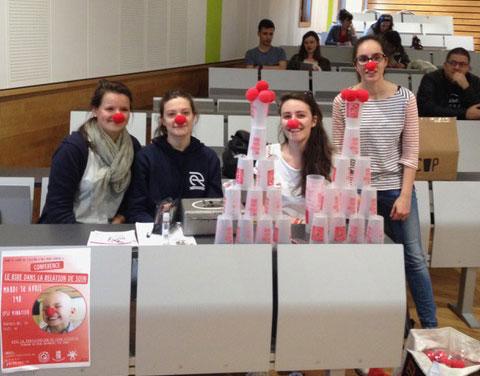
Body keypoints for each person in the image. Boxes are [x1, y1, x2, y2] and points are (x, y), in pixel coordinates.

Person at [332, 35, 438, 329]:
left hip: (395, 188)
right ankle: (387, 324)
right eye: (363, 59)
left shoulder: (405, 98)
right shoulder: (343, 101)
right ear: (355, 65)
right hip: (358, 193)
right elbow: (341, 151)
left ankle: (430, 328)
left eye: (376, 57)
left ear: (385, 61)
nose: (370, 64)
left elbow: (410, 152)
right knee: (368, 262)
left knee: (413, 258)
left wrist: (405, 195)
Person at [39, 79, 141, 224]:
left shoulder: (132, 147)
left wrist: (120, 218)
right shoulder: (73, 149)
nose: (118, 115)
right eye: (110, 109)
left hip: (110, 231)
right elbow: (58, 208)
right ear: (95, 110)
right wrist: (84, 240)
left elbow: (133, 196)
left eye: (124, 109)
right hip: (68, 230)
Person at [126, 90, 222, 223]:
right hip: (154, 235)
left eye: (185, 113)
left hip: (196, 232)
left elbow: (213, 207)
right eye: (171, 114)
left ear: (194, 117)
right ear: (162, 121)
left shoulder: (209, 158)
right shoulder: (145, 157)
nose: (179, 118)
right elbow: (136, 209)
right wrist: (158, 231)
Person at [267, 92, 333, 221]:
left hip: (316, 233)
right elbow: (258, 204)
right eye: (287, 116)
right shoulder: (268, 154)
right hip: (277, 232)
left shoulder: (333, 159)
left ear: (314, 121)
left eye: (300, 115)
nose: (293, 122)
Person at [417, 47, 480, 119]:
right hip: (436, 124)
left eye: (462, 64)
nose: (457, 67)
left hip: (469, 126)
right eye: (453, 63)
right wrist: (464, 114)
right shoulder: (431, 79)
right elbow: (425, 109)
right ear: (445, 65)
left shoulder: (475, 81)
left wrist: (466, 88)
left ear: (468, 68)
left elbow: (477, 110)